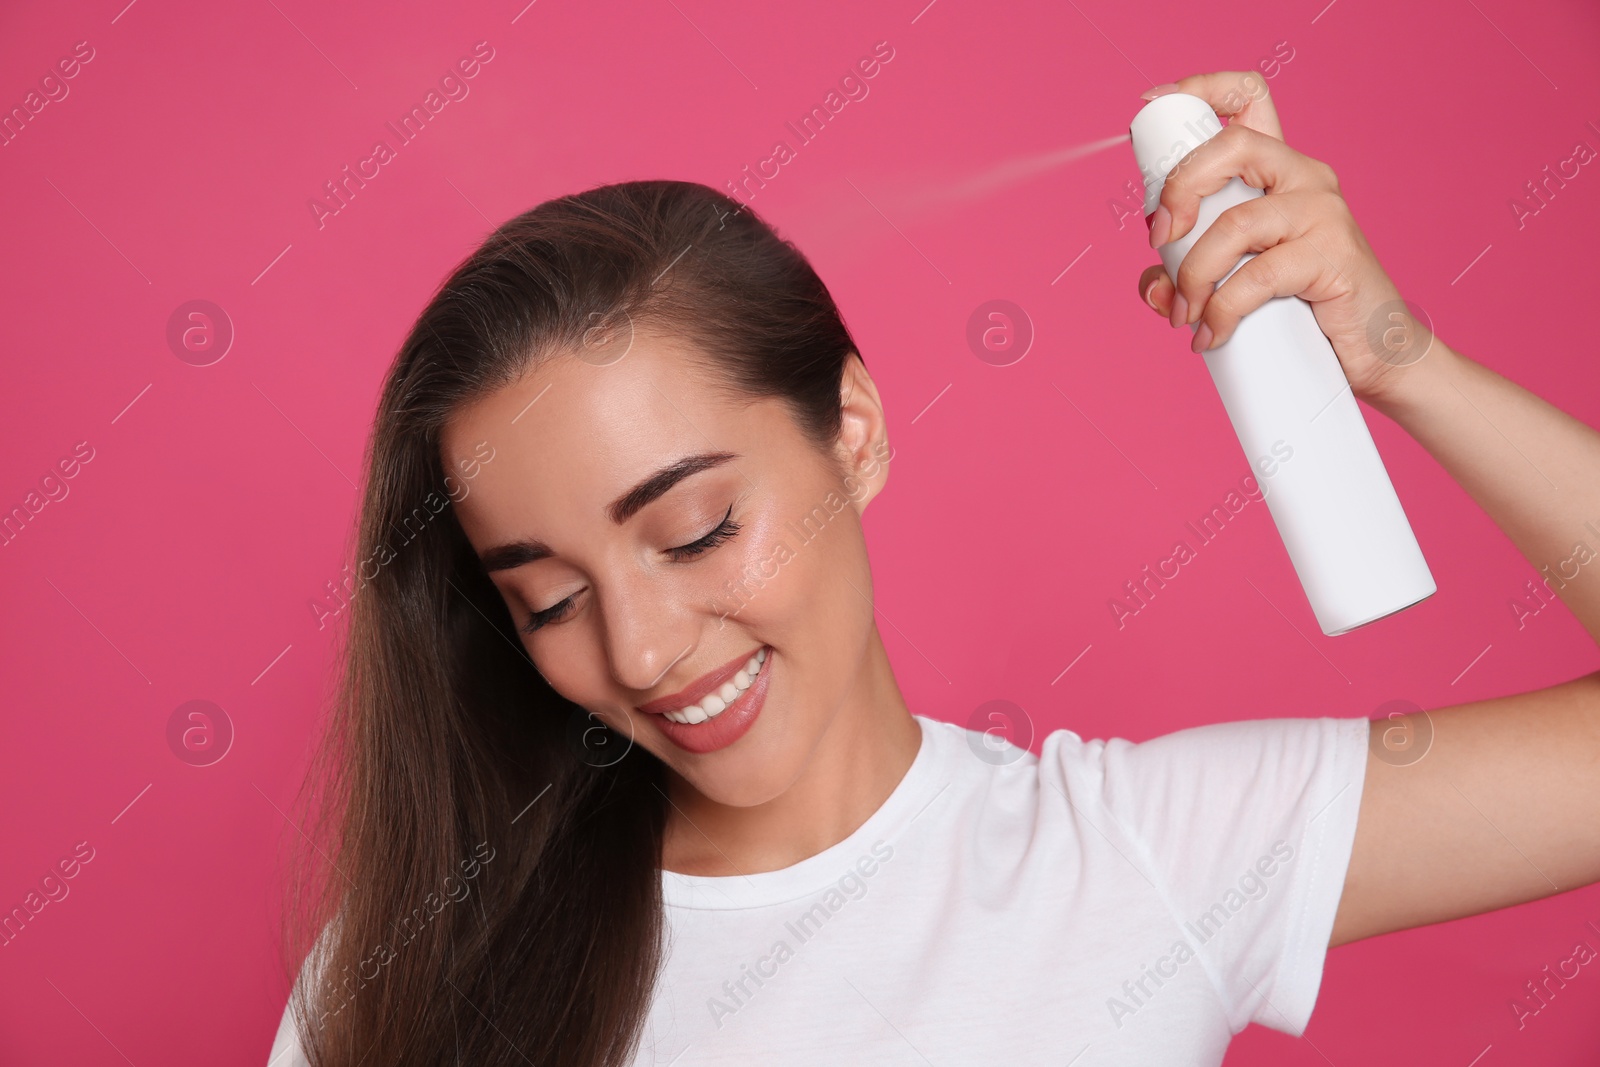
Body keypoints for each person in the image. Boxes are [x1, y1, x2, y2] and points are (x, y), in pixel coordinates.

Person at [266, 69, 1600, 1066]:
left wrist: (1394, 357)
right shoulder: (412, 975)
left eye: (695, 535)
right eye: (549, 600)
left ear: (852, 432)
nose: (642, 651)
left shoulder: (1144, 860)